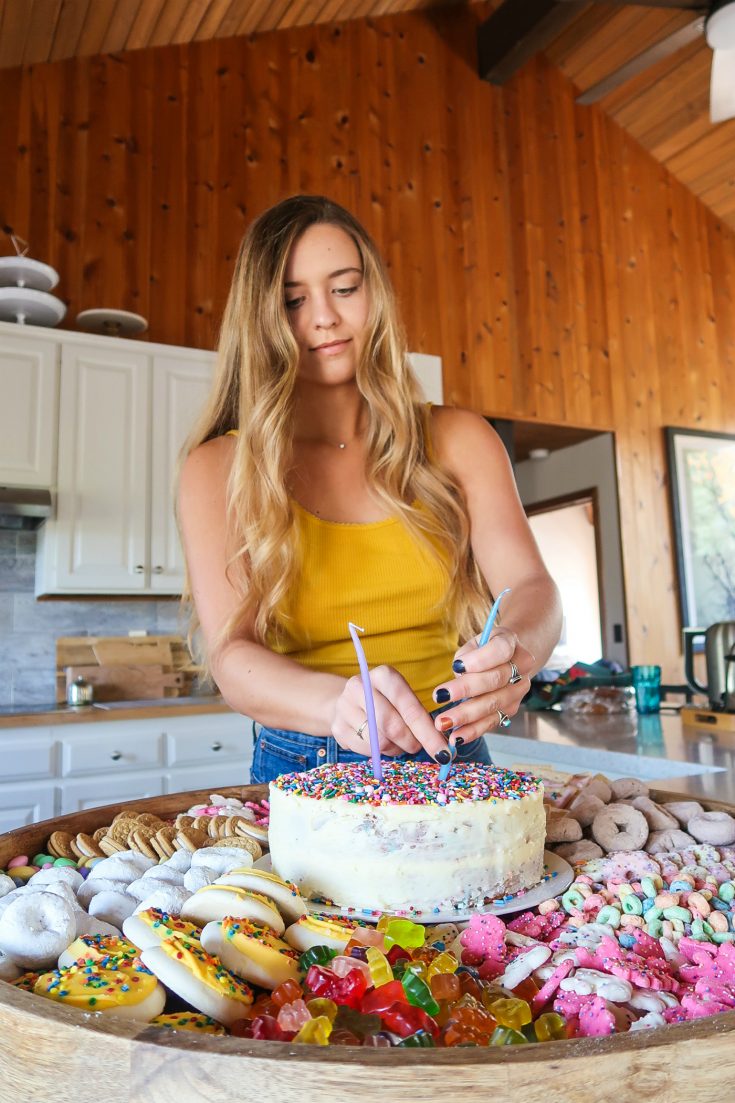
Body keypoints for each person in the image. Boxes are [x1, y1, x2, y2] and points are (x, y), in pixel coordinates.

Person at [178, 194, 562, 784]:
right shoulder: (217, 468)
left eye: (345, 287)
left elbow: (532, 587)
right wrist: (339, 704)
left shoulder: (462, 439)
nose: (324, 317)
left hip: (453, 751)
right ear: (259, 318)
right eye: (292, 300)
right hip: (306, 760)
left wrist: (515, 652)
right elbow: (233, 657)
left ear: (375, 294)